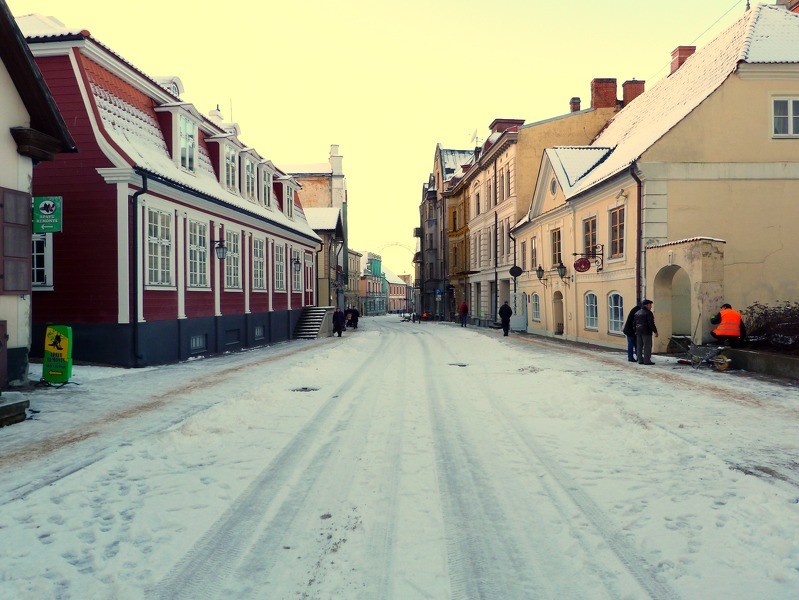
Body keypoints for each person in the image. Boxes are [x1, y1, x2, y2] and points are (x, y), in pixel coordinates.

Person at [634, 299, 658, 365]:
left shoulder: (637, 312)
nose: (651, 306)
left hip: (638, 331)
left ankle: (640, 359)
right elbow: (651, 323)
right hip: (646, 331)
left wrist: (635, 330)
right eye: (650, 305)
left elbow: (634, 323)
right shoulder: (648, 313)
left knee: (639, 346)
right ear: (647, 305)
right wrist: (655, 331)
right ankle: (647, 360)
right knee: (647, 346)